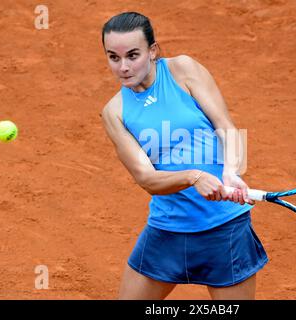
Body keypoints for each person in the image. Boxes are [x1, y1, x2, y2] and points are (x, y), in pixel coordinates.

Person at [101, 12, 268, 300]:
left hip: (225, 228)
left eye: (132, 55)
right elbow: (147, 178)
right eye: (114, 58)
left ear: (153, 51)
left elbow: (226, 126)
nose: (124, 67)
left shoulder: (183, 70)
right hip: (168, 229)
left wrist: (230, 171)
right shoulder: (114, 112)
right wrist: (195, 177)